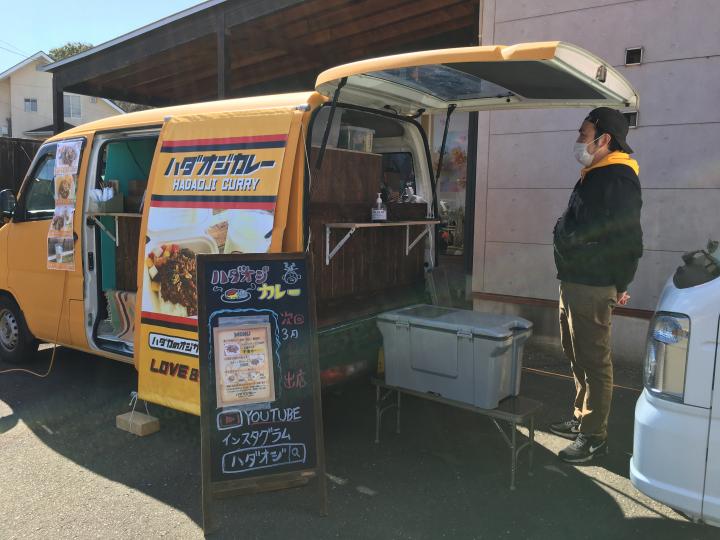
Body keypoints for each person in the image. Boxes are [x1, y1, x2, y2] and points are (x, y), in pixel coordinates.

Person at [551, 107, 643, 463]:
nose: (578, 140)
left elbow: (628, 238)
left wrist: (621, 282)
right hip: (575, 280)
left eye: (583, 133)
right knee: (575, 353)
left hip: (594, 283)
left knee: (594, 360)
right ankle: (581, 418)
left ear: (604, 139)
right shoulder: (594, 174)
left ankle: (594, 436)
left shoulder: (618, 178)